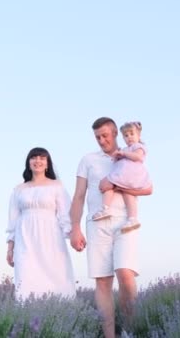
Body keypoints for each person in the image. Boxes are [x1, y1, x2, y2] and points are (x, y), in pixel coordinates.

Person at [69, 117, 153, 337]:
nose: (101, 140)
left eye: (105, 135)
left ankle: (130, 330)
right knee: (103, 281)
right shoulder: (88, 160)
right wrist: (74, 228)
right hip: (97, 224)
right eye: (97, 137)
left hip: (126, 221)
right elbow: (78, 196)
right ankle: (110, 335)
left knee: (125, 272)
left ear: (116, 133)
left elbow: (148, 188)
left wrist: (114, 183)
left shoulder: (131, 155)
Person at [5, 147, 76, 301]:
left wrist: (73, 236)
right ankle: (27, 320)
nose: (37, 161)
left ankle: (61, 317)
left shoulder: (56, 185)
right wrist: (10, 248)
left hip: (51, 237)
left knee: (57, 276)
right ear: (28, 162)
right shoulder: (18, 190)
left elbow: (66, 215)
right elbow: (13, 221)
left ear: (47, 163)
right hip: (25, 239)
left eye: (42, 158)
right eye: (34, 157)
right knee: (25, 277)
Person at [92, 121, 152, 234]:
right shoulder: (125, 149)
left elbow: (138, 157)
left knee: (108, 183)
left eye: (131, 134)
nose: (129, 137)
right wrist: (117, 157)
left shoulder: (138, 147)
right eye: (126, 135)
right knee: (128, 195)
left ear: (138, 135)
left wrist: (123, 154)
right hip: (128, 176)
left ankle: (105, 208)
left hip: (129, 174)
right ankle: (132, 218)